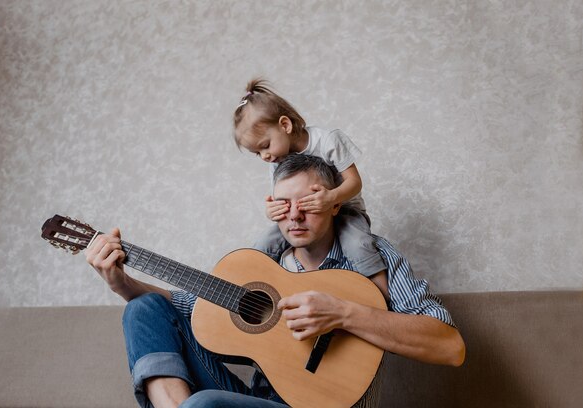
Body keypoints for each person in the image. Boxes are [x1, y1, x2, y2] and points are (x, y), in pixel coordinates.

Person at [86, 154, 465, 408]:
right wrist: (121, 282)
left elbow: (450, 347)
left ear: (335, 203)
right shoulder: (260, 267)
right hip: (256, 403)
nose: (295, 217)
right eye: (284, 205)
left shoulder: (371, 258)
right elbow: (182, 306)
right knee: (144, 308)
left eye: (309, 203)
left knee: (204, 406)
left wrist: (344, 313)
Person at [233, 78, 386, 280]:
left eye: (265, 145)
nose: (265, 156)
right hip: (305, 217)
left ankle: (382, 295)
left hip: (346, 211)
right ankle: (244, 290)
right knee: (263, 244)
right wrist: (273, 209)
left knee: (357, 245)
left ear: (285, 125)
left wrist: (331, 198)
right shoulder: (276, 163)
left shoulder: (328, 140)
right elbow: (280, 199)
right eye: (257, 153)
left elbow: (355, 183)